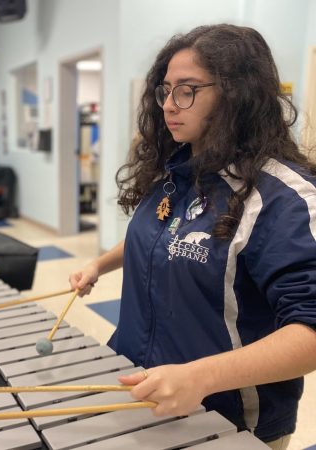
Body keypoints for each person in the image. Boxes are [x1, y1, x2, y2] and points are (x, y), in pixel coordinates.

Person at [69, 24, 316, 449]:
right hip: (145, 396)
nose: (168, 105)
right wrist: (99, 264)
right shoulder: (174, 172)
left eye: (186, 90)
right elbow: (158, 237)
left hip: (230, 422)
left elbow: (309, 333)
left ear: (237, 93)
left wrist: (197, 378)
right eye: (165, 90)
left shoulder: (283, 198)